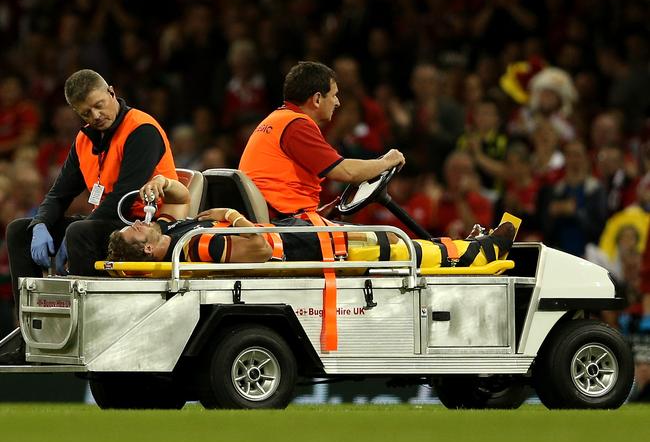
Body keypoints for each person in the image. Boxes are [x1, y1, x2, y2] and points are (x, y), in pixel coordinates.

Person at [1, 69, 177, 364]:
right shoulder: (85, 139)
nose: (95, 115)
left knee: (79, 232)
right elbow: (58, 194)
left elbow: (126, 196)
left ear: (111, 91)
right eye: (86, 112)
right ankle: (30, 335)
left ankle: (92, 334)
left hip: (144, 225)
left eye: (99, 105)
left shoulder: (141, 129)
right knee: (20, 230)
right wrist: (40, 223)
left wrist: (82, 226)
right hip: (108, 221)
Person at [107, 176, 516, 270]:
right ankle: (478, 254)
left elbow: (180, 196)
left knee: (396, 244)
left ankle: (465, 245)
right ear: (146, 248)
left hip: (300, 233)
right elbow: (261, 249)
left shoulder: (170, 230)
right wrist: (232, 216)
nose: (140, 222)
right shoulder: (194, 247)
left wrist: (161, 185)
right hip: (302, 247)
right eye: (137, 229)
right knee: (397, 248)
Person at [238, 61, 405, 218]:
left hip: (279, 219)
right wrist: (387, 161)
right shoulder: (297, 126)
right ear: (317, 99)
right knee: (389, 240)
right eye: (334, 95)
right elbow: (346, 172)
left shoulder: (278, 120)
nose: (338, 103)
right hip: (285, 225)